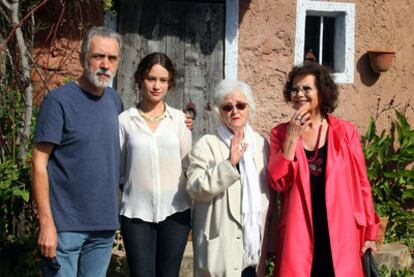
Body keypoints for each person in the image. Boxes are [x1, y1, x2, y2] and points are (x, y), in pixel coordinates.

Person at [267, 62, 379, 277]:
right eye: (295, 89)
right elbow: (278, 182)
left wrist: (369, 233)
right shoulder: (280, 134)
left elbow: (362, 185)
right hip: (298, 234)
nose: (299, 94)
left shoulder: (346, 132)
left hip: (342, 233)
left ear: (322, 91)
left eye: (306, 88)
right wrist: (291, 139)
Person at [32, 27, 123, 276]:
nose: (105, 64)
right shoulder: (58, 102)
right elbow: (39, 163)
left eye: (112, 58)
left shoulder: (115, 101)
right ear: (84, 57)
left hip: (103, 227)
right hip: (64, 227)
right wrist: (46, 223)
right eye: (98, 56)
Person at [186, 79, 275, 277]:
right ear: (220, 112)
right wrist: (229, 164)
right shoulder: (207, 145)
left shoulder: (260, 145)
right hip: (221, 252)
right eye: (228, 107)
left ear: (248, 108)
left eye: (240, 105)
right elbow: (195, 188)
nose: (235, 111)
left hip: (254, 251)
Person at [118, 52, 192, 277]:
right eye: (151, 78)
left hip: (175, 212)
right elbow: (120, 170)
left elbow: (188, 164)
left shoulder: (179, 120)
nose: (157, 86)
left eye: (163, 80)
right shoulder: (125, 120)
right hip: (136, 214)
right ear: (140, 79)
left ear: (170, 84)